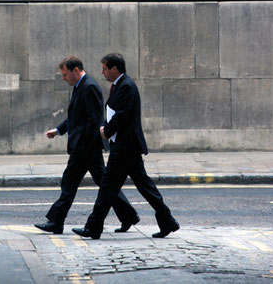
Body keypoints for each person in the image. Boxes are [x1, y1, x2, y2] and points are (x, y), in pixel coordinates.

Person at [73, 52, 180, 240]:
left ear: (115, 68)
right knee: (142, 186)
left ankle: (93, 227)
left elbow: (122, 115)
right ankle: (167, 221)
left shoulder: (126, 86)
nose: (102, 72)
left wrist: (106, 130)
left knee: (107, 187)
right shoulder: (119, 86)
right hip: (124, 146)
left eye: (105, 68)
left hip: (125, 147)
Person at [35, 55, 139, 234]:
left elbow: (94, 119)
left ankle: (56, 222)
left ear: (76, 70)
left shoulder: (89, 87)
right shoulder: (79, 86)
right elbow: (76, 117)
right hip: (87, 147)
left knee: (69, 182)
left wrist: (82, 144)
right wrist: (59, 130)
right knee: (106, 184)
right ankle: (128, 215)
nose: (63, 78)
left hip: (85, 147)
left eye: (65, 74)